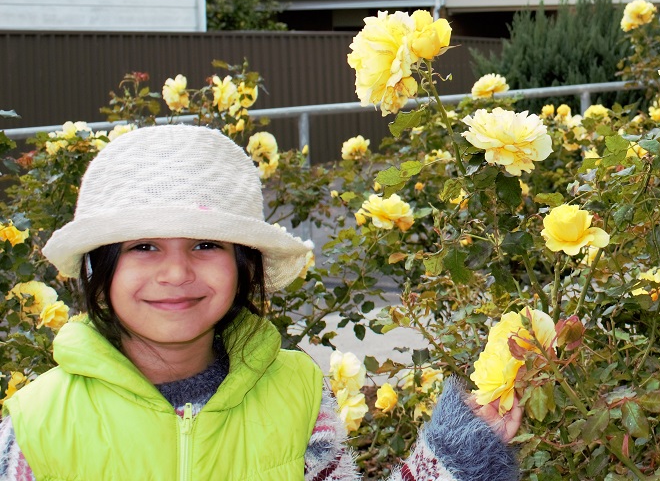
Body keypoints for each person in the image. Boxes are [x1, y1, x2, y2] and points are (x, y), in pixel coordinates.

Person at [0, 124, 521, 481]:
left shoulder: (296, 393)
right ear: (99, 269)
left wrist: (457, 451)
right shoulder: (36, 422)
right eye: (144, 246)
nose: (177, 273)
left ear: (243, 267)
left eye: (206, 245)